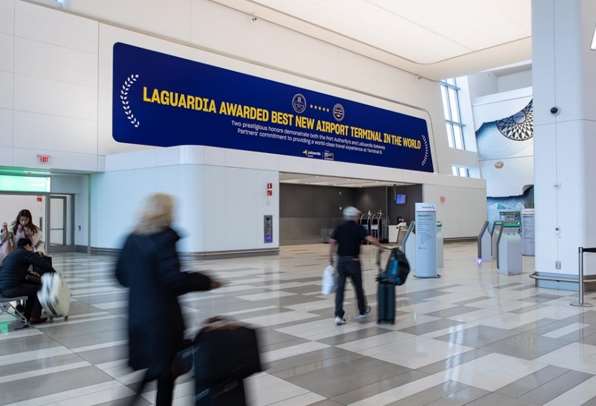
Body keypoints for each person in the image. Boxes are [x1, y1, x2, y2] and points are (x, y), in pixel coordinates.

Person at [115, 193, 222, 406]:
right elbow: (173, 279)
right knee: (165, 372)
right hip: (162, 320)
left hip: (137, 317)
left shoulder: (131, 238)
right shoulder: (165, 238)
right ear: (168, 213)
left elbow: (118, 276)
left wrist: (142, 283)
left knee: (156, 368)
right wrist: (205, 281)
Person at [329, 206, 386, 326]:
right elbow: (370, 238)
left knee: (340, 289)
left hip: (341, 262)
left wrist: (330, 257)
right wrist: (380, 246)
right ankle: (362, 311)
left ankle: (339, 316)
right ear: (355, 216)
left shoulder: (339, 227)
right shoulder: (358, 227)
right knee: (358, 288)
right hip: (354, 262)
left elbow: (332, 242)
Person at [0, 238, 54, 323]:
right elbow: (41, 263)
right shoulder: (24, 253)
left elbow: (14, 270)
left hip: (2, 289)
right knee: (40, 288)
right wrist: (54, 272)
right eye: (31, 247)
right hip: (11, 289)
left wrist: (29, 273)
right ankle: (35, 317)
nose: (32, 249)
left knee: (32, 288)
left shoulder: (12, 254)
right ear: (27, 245)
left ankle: (27, 315)